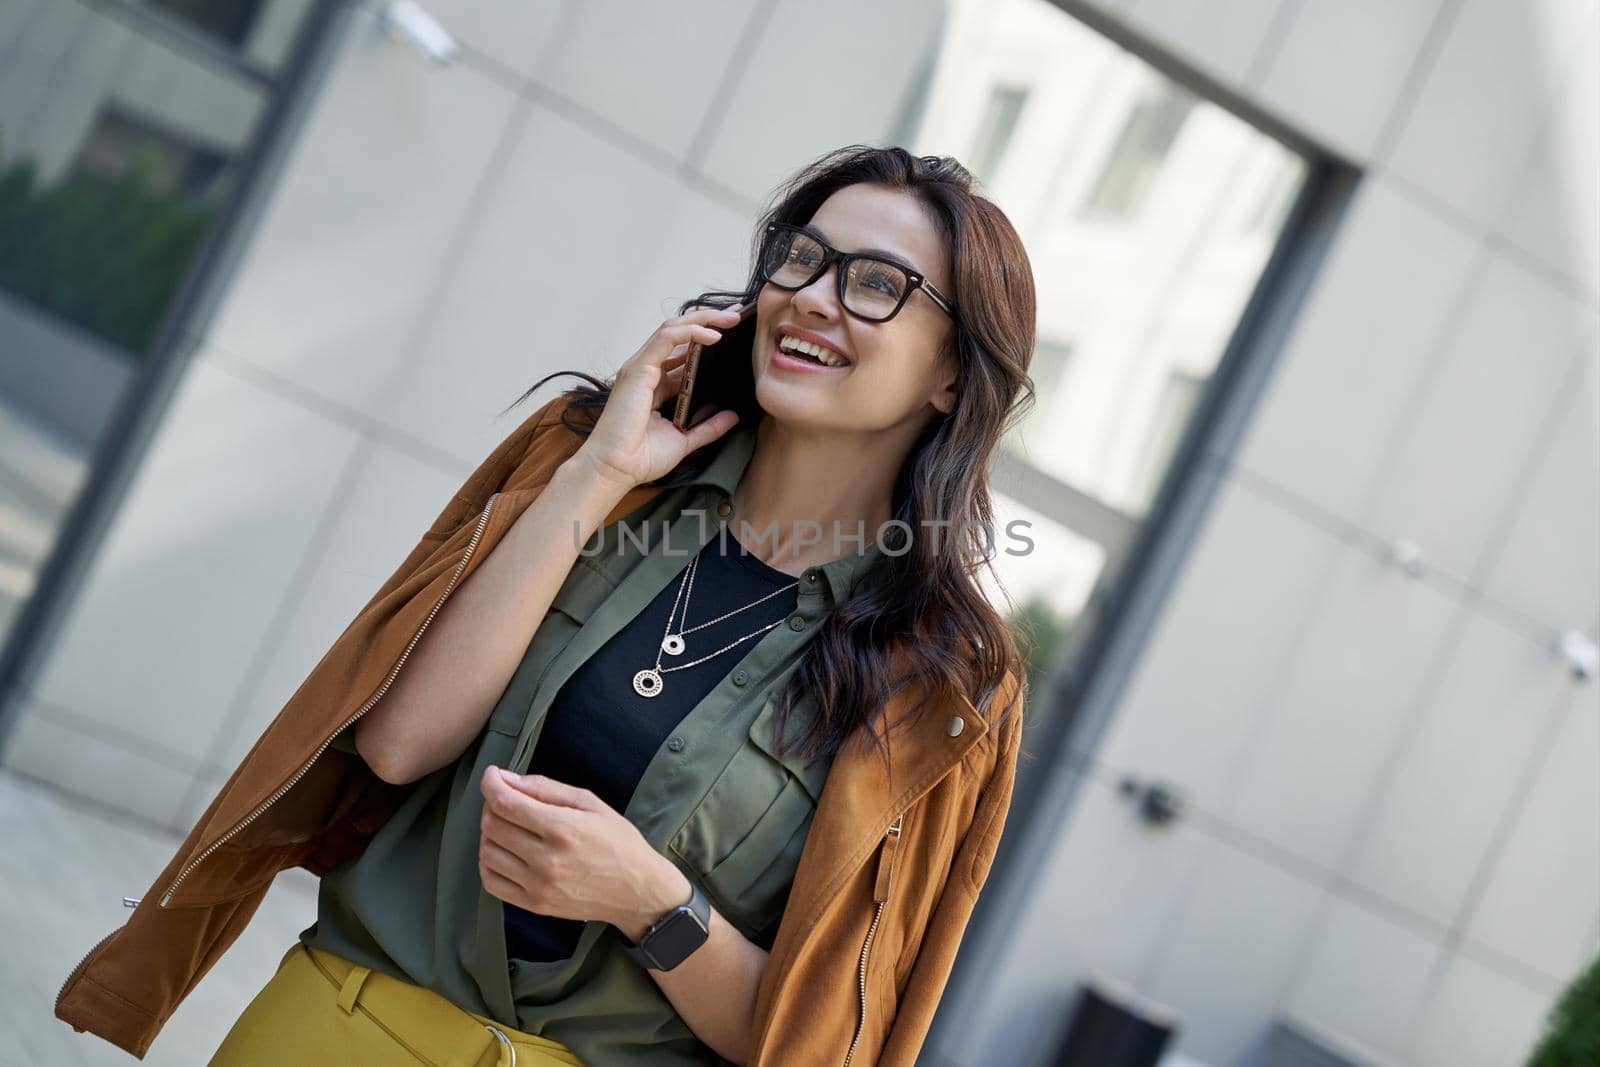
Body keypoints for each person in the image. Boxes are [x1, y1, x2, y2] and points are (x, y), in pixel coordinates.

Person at [57, 145, 1036, 1067]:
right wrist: (598, 472)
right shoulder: (592, 458)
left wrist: (652, 901)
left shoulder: (944, 681)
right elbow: (398, 742)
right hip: (341, 1021)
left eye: (875, 284)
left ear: (952, 371)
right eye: (801, 259)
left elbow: (816, 1040)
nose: (812, 299)